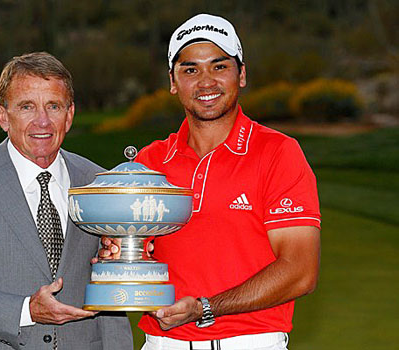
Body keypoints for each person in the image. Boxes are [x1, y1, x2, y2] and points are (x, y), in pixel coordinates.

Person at [100, 14, 321, 350]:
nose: (206, 82)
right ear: (173, 82)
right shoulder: (149, 161)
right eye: (190, 70)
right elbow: (135, 256)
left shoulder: (278, 152)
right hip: (162, 343)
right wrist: (114, 252)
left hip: (251, 343)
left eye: (219, 67)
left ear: (241, 74)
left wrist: (205, 307)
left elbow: (300, 271)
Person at [0, 52, 133, 350]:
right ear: (3, 115)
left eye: (53, 106)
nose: (42, 121)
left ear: (69, 115)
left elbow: (112, 300)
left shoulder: (99, 181)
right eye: (27, 107)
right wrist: (25, 311)